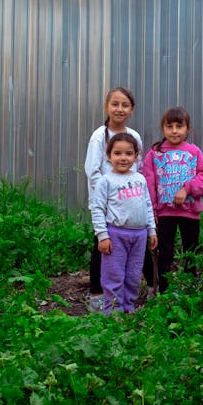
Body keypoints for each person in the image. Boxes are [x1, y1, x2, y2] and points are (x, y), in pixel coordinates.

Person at [141, 106, 203, 293]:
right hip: (165, 213)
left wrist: (187, 188)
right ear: (163, 128)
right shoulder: (155, 154)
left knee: (190, 252)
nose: (174, 130)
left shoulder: (194, 152)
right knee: (165, 253)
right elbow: (149, 184)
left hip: (190, 213)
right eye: (169, 126)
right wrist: (153, 211)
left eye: (179, 126)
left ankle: (189, 291)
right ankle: (164, 293)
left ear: (187, 129)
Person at [84, 87, 143, 312]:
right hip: (107, 205)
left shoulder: (134, 136)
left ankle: (130, 294)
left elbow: (138, 167)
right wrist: (108, 199)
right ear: (107, 107)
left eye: (125, 105)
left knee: (134, 247)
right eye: (115, 104)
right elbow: (92, 171)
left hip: (130, 204)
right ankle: (97, 293)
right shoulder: (99, 136)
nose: (119, 109)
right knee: (102, 246)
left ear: (132, 109)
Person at [89, 132, 158, 314]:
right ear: (109, 156)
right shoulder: (105, 181)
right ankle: (114, 310)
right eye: (118, 153)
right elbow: (97, 210)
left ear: (136, 156)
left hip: (139, 236)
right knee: (114, 274)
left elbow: (147, 206)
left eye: (128, 153)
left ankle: (128, 307)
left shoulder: (140, 179)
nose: (123, 158)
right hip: (116, 235)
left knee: (134, 275)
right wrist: (102, 236)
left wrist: (152, 230)